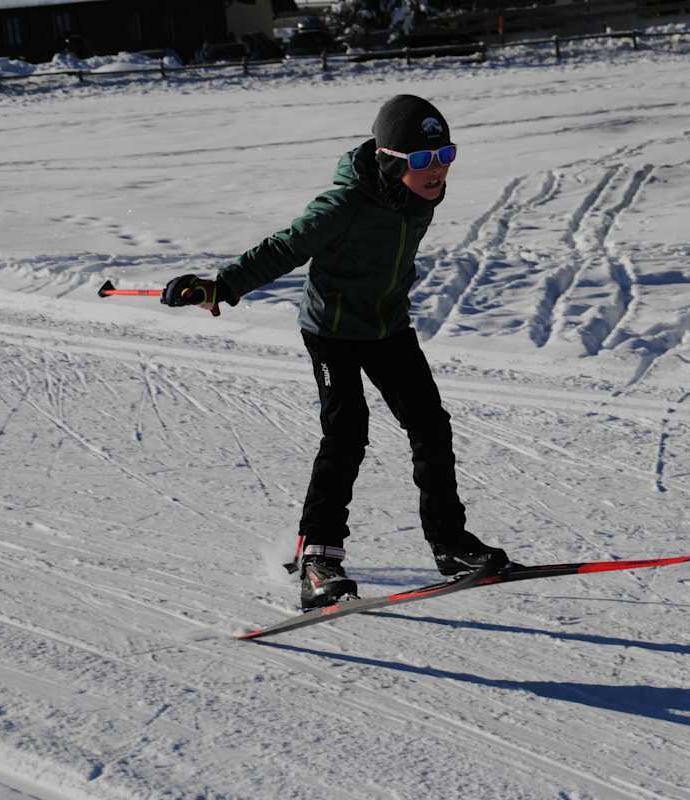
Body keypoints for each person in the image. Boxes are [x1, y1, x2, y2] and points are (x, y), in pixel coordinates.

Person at [161, 95, 509, 610]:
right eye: (420, 161)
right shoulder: (343, 205)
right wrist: (223, 286)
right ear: (392, 161)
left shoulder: (417, 197)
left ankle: (451, 545)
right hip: (332, 332)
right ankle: (317, 559)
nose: (435, 171)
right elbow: (286, 245)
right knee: (347, 433)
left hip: (387, 325)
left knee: (430, 426)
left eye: (444, 157)